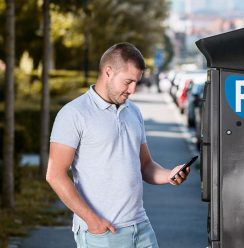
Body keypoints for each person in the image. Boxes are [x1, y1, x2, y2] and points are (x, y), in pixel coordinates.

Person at [46, 42, 190, 248]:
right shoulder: (73, 113)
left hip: (141, 227)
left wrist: (169, 175)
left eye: (136, 82)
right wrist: (92, 221)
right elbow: (55, 174)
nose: (133, 89)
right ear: (108, 72)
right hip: (103, 233)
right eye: (128, 81)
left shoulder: (133, 112)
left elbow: (146, 165)